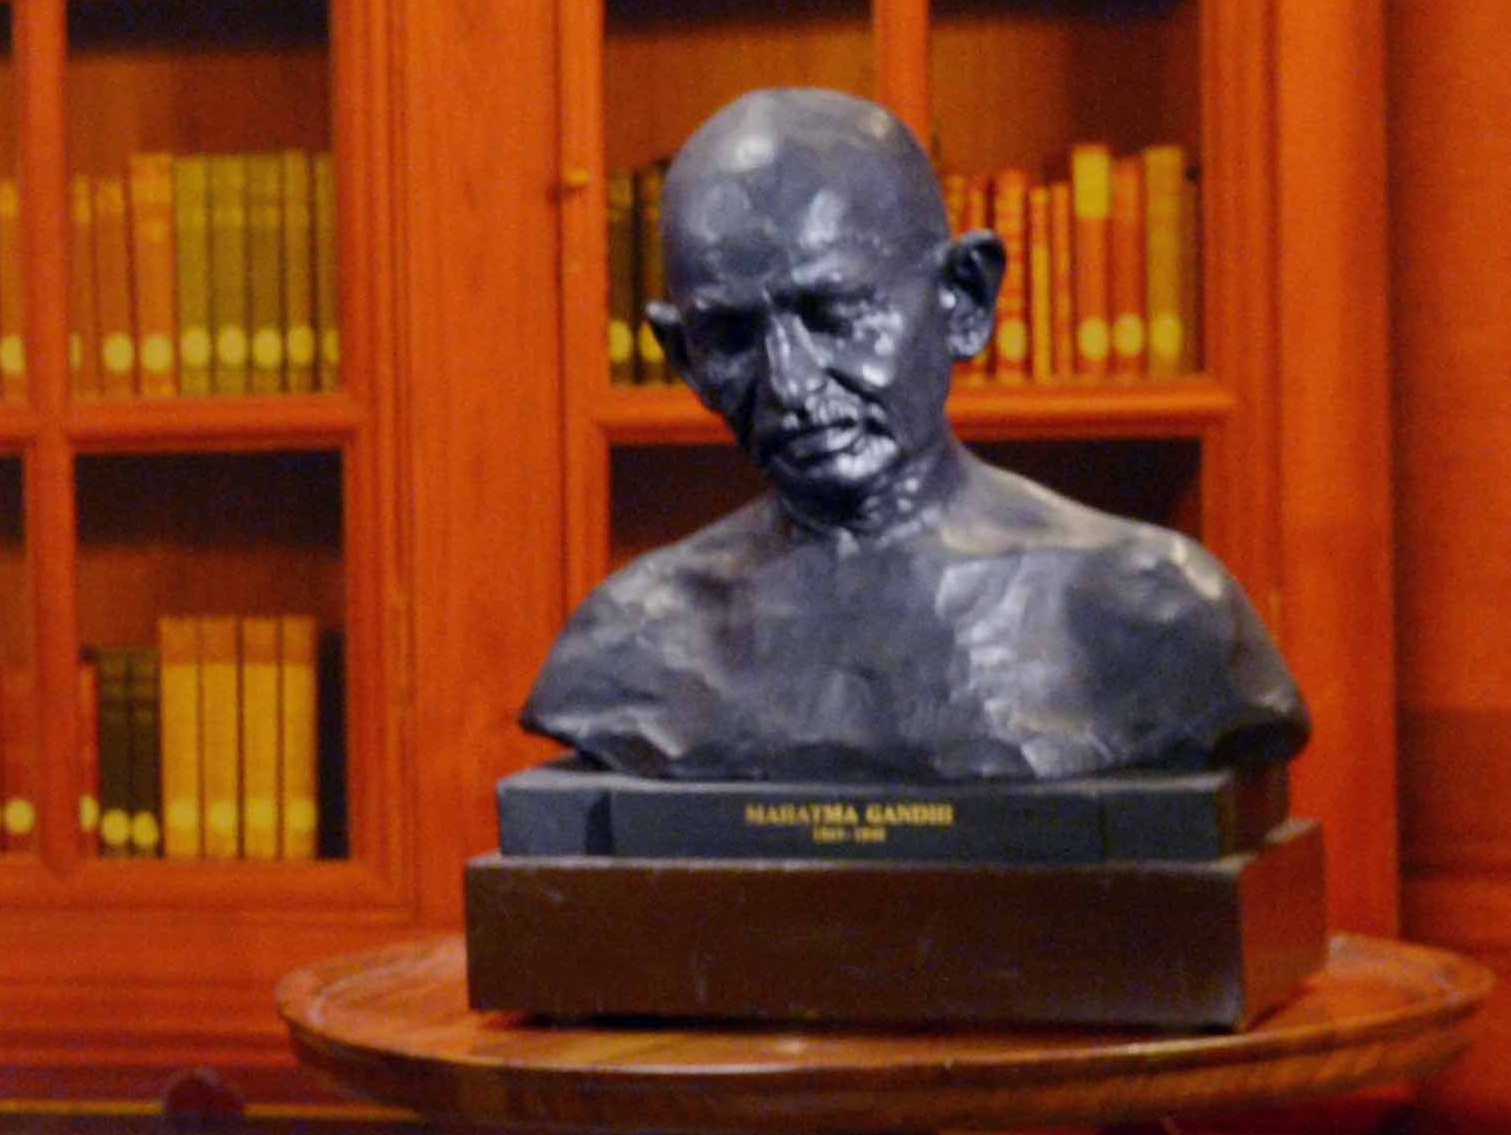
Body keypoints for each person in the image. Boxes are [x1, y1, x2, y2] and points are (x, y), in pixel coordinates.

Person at [522, 86, 1304, 783]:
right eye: (730, 335)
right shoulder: (629, 647)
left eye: (838, 316)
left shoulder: (1153, 613)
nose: (790, 386)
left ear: (965, 297)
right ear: (682, 357)